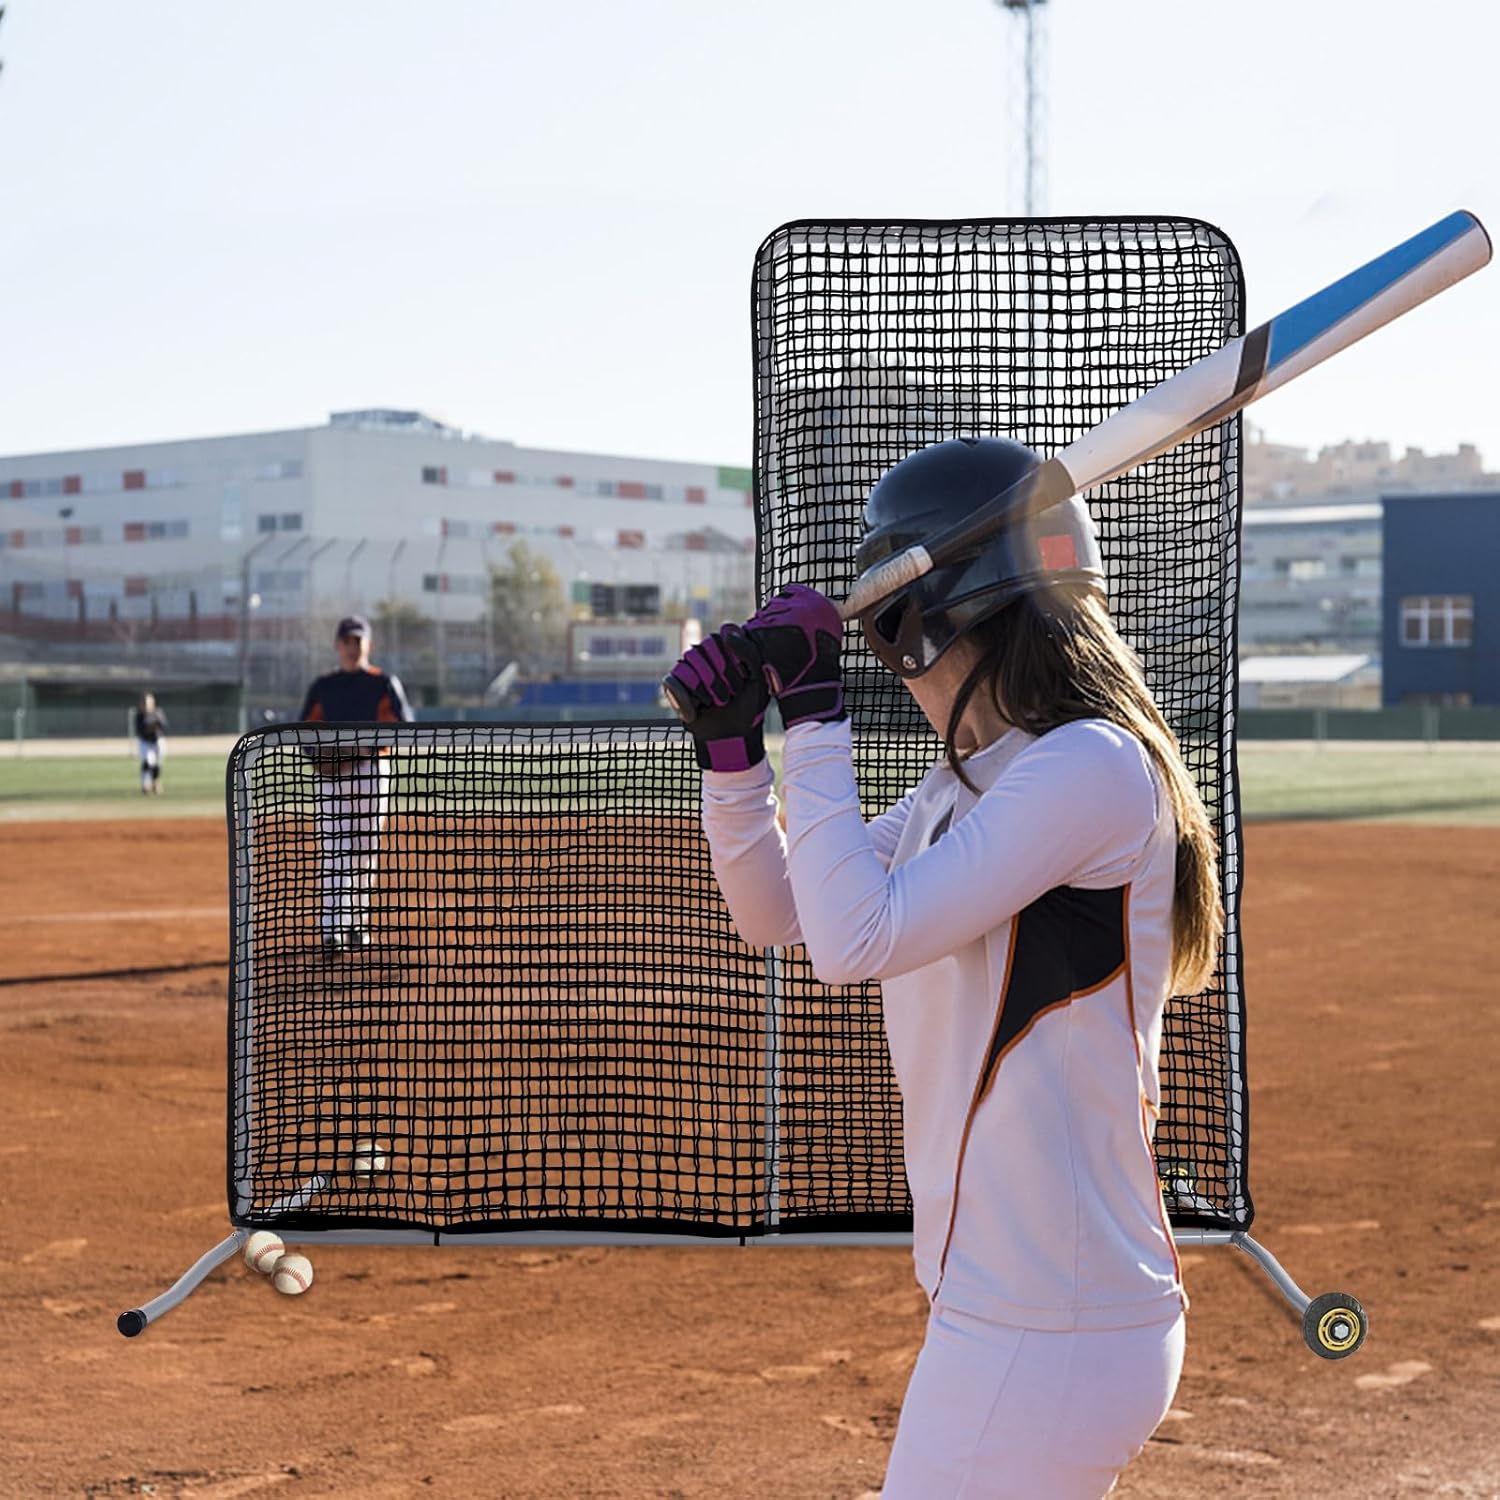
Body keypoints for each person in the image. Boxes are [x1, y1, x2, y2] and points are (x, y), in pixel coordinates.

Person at [669, 437, 1223, 1499]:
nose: (888, 665)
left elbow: (855, 943)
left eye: (886, 641)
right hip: (1022, 1310)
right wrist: (735, 759)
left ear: (934, 623)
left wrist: (819, 717)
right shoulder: (969, 783)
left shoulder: (1090, 767)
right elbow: (783, 914)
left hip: (1049, 1322)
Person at [298, 615, 413, 954]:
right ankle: (331, 930)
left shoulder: (383, 682)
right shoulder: (324, 686)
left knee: (364, 851)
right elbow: (305, 733)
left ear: (368, 645)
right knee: (333, 850)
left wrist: (364, 745)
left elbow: (405, 727)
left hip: (371, 770)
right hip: (331, 776)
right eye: (346, 641)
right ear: (337, 645)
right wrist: (328, 753)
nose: (352, 647)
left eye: (357, 641)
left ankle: (356, 926)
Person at [134, 692, 168, 796]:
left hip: (157, 741)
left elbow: (164, 726)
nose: (146, 704)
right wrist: (151, 727)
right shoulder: (140, 715)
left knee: (156, 764)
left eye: (148, 702)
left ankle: (155, 783)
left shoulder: (158, 712)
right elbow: (141, 731)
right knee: (147, 762)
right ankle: (145, 784)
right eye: (144, 702)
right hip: (145, 742)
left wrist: (156, 723)